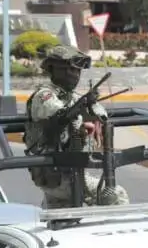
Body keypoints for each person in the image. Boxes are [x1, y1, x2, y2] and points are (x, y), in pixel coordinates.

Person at [24, 45, 129, 209]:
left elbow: (100, 115)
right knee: (114, 196)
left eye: (78, 71)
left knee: (61, 214)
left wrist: (92, 109)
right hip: (54, 172)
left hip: (71, 168)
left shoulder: (71, 96)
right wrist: (81, 107)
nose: (75, 75)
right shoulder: (44, 96)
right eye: (70, 70)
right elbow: (60, 116)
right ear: (55, 70)